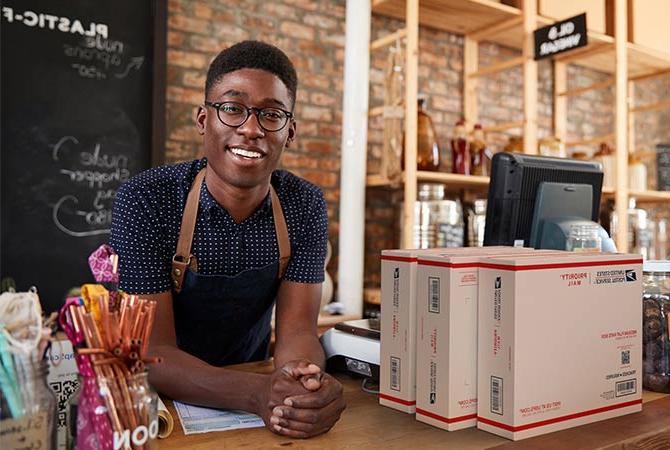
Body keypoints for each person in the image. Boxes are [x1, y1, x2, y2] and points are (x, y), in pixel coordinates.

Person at [110, 40, 345, 438]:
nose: (251, 129)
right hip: (159, 409)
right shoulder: (146, 200)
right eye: (232, 108)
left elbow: (298, 333)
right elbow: (153, 353)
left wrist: (302, 383)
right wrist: (258, 394)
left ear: (290, 131)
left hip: (255, 398)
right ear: (204, 119)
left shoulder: (304, 204)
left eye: (271, 114)